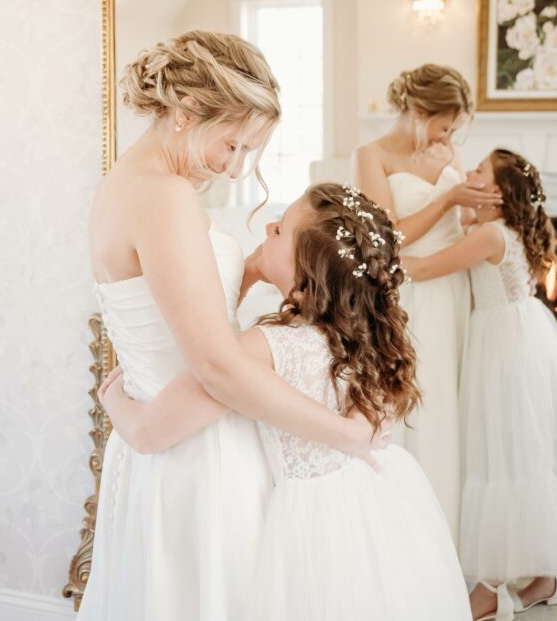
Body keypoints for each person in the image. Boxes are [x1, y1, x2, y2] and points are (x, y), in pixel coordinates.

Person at [81, 31, 386, 621]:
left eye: (249, 151)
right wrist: (343, 433)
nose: (235, 166)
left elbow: (172, 309)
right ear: (186, 112)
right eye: (233, 144)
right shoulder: (165, 197)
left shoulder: (126, 184)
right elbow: (217, 366)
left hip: (163, 437)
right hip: (199, 454)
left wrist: (243, 276)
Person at [100, 183, 471, 621]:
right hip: (371, 506)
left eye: (281, 231)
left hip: (309, 524)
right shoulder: (365, 339)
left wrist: (113, 401)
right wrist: (257, 269)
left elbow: (155, 425)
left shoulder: (271, 347)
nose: (270, 225)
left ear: (305, 273)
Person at [402, 149, 557, 620]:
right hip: (521, 336)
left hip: (507, 349)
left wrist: (369, 253)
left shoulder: (491, 234)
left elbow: (428, 267)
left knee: (505, 454)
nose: (467, 175)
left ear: (497, 195)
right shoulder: (497, 229)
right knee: (529, 451)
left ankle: (492, 586)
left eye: (477, 172)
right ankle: (545, 576)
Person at [352, 63, 500, 539]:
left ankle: (454, 529)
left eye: (454, 128)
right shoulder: (370, 156)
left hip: (455, 285)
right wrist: (449, 196)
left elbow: (464, 222)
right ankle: (412, 534)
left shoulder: (448, 151)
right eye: (443, 123)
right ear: (418, 112)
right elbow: (385, 237)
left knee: (455, 403)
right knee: (420, 407)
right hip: (411, 292)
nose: (447, 135)